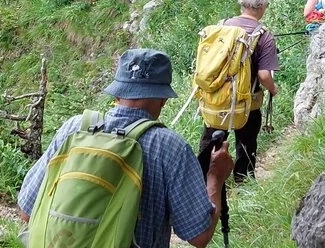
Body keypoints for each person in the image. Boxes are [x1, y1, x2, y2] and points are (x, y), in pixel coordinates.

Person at [18, 49, 232, 248]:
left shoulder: (74, 129)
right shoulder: (170, 147)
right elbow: (198, 236)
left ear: (117, 93)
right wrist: (215, 178)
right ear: (163, 99)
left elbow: (27, 211)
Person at [198, 0, 279, 183]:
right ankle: (243, 181)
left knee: (211, 140)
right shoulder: (264, 36)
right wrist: (273, 89)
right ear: (262, 6)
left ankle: (203, 179)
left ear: (241, 2)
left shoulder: (222, 26)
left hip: (217, 97)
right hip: (246, 101)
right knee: (246, 141)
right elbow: (264, 75)